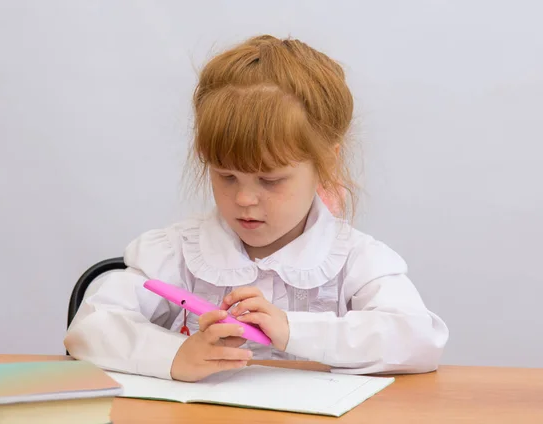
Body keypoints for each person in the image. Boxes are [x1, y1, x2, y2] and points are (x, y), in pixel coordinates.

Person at [64, 34, 449, 383]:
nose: (245, 199)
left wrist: (293, 328)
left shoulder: (355, 259)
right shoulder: (176, 251)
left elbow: (418, 339)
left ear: (325, 164)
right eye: (226, 176)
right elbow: (91, 327)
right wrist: (175, 354)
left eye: (270, 180)